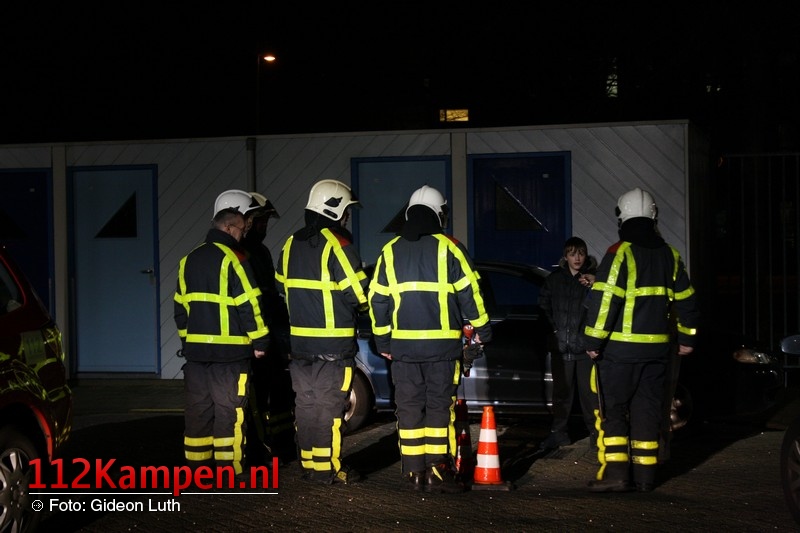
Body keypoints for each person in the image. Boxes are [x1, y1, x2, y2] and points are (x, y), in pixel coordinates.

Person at [368, 185, 492, 493]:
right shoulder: (450, 248)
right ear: (439, 214)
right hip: (442, 350)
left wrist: (383, 342)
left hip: (403, 350)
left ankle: (414, 472)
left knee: (409, 407)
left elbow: (377, 300)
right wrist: (483, 329)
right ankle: (437, 470)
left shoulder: (390, 251)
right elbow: (470, 293)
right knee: (438, 407)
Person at [582, 187, 699, 493]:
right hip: (657, 353)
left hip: (619, 353)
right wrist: (687, 337)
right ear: (653, 217)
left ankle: (617, 475)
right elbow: (687, 300)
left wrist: (593, 341)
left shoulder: (619, 253)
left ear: (622, 217)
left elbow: (606, 301)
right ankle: (646, 477)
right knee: (648, 412)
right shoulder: (670, 255)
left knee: (613, 411)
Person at [275, 179, 368, 485]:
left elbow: (280, 287)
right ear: (334, 209)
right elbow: (360, 295)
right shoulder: (338, 245)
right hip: (334, 346)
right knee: (329, 408)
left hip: (300, 346)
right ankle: (328, 469)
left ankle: (309, 464)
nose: (347, 217)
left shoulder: (290, 244)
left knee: (306, 406)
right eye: (346, 211)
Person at [174, 189, 270, 476]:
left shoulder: (188, 260)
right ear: (228, 228)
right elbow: (250, 304)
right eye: (242, 229)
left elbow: (180, 309)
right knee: (230, 413)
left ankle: (198, 469)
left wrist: (188, 341)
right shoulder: (235, 259)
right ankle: (230, 471)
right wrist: (261, 340)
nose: (244, 234)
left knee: (198, 413)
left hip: (196, 356)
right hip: (230, 358)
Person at [241, 192, 295, 464]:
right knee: (256, 398)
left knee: (280, 391)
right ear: (246, 221)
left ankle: (283, 445)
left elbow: (271, 294)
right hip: (254, 340)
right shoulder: (240, 255)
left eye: (265, 222)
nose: (263, 227)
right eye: (259, 221)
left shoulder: (261, 252)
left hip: (271, 334)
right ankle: (257, 450)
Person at [538, 236, 599, 451]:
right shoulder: (554, 280)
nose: (577, 258)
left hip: (584, 350)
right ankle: (559, 434)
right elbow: (543, 306)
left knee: (590, 396)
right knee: (561, 395)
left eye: (581, 253)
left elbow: (602, 307)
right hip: (561, 349)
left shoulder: (592, 279)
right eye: (573, 254)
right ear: (565, 257)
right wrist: (554, 331)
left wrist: (595, 284)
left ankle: (596, 435)